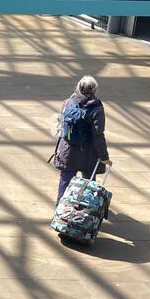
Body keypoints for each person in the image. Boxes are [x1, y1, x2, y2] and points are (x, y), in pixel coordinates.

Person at [51, 74, 111, 206]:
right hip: (88, 153)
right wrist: (103, 156)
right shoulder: (97, 108)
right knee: (88, 184)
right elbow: (98, 134)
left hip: (68, 150)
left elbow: (61, 124)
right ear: (95, 90)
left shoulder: (68, 102)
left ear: (78, 87)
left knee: (65, 180)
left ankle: (60, 210)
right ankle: (83, 212)